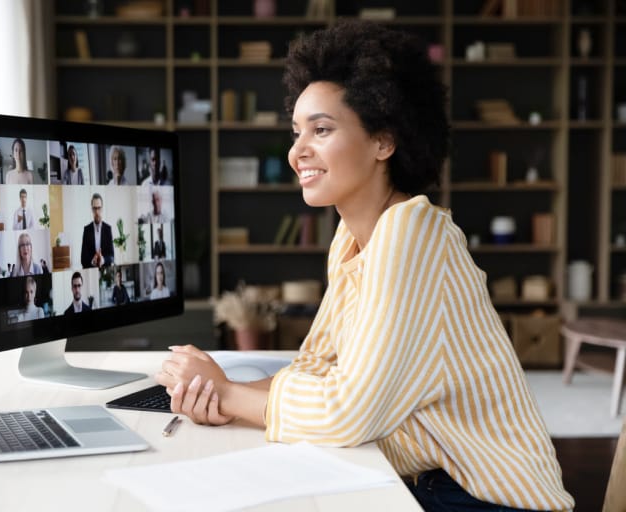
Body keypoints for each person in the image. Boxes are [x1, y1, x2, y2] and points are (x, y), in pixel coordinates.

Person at [155, 21, 574, 512]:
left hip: (486, 498)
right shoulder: (353, 240)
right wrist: (215, 391)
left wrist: (228, 396)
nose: (297, 152)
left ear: (384, 142)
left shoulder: (412, 234)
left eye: (322, 129)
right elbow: (316, 368)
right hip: (429, 482)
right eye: (297, 132)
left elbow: (349, 413)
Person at [81, 193, 115, 268]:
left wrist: (103, 260)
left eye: (99, 208)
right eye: (95, 208)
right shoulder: (86, 230)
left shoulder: (108, 229)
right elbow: (83, 259)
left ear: (102, 209)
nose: (97, 212)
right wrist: (92, 261)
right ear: (92, 209)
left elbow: (112, 257)